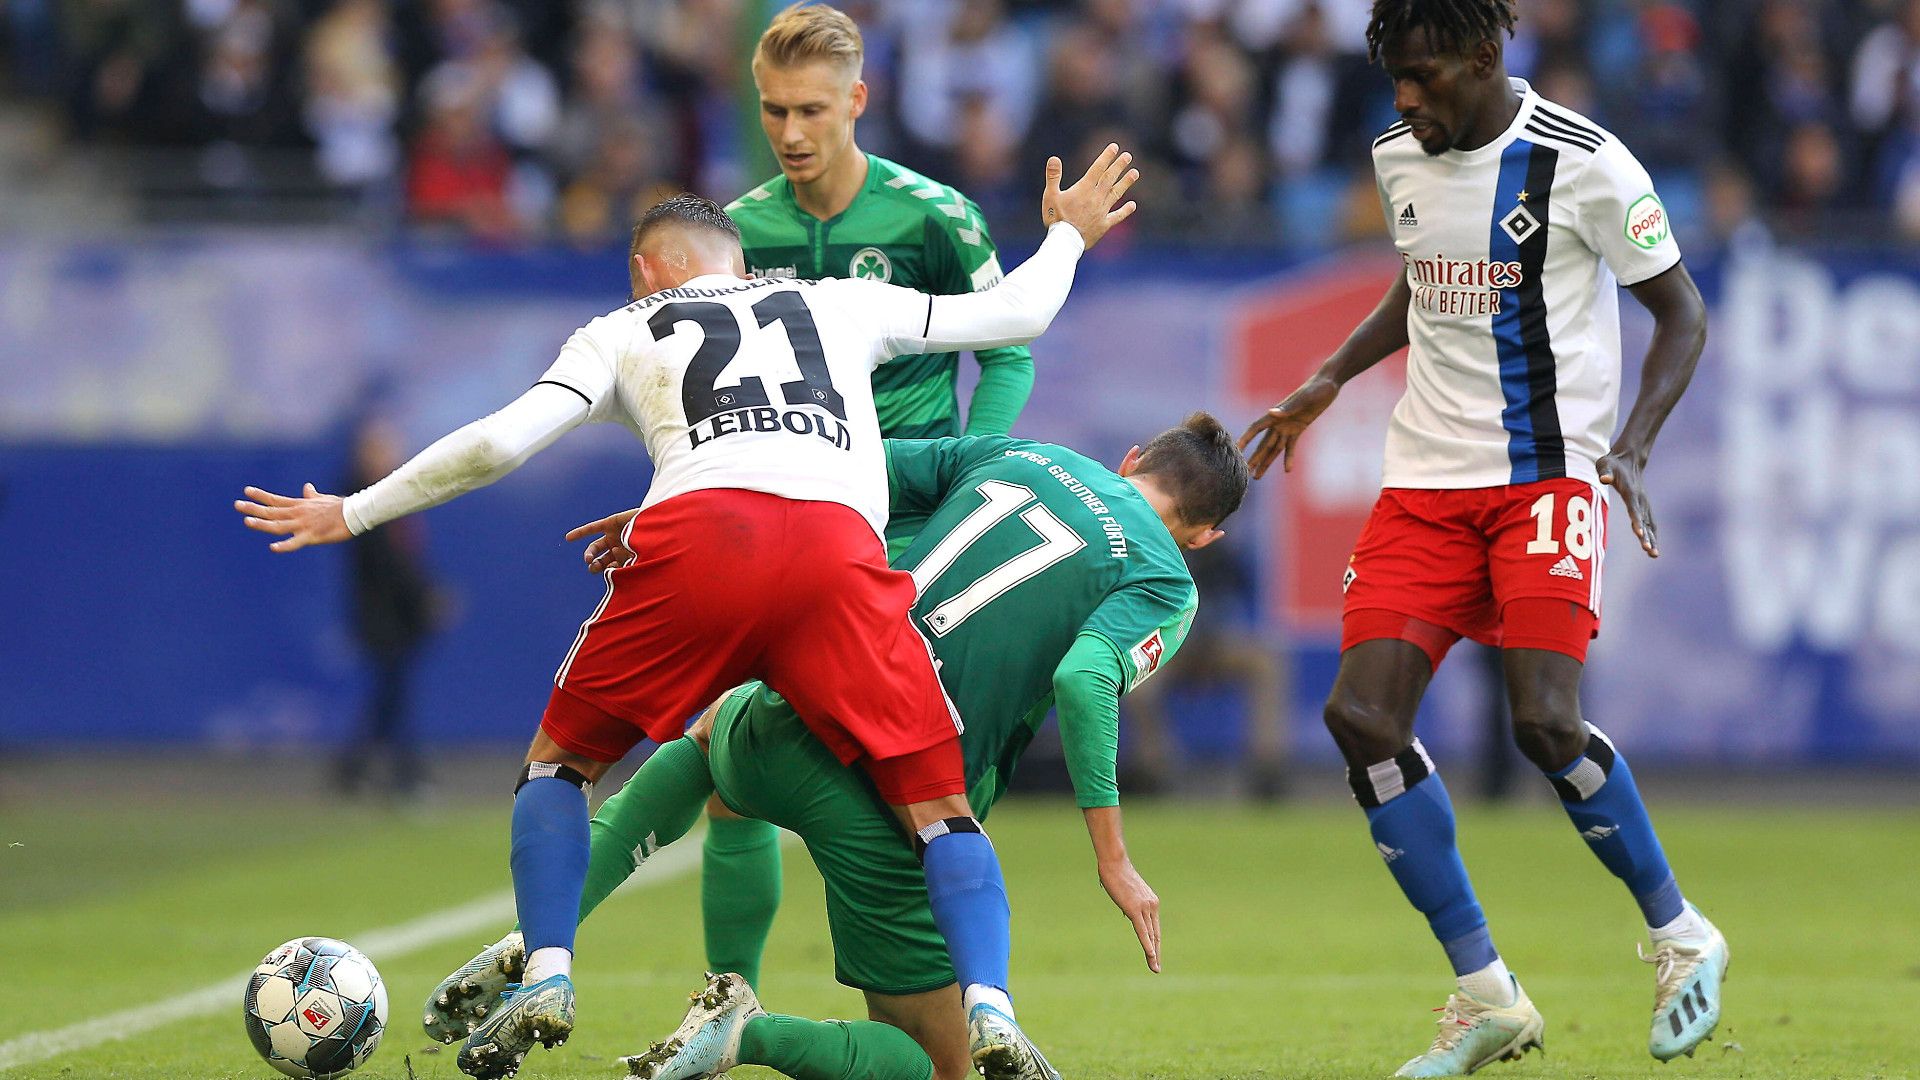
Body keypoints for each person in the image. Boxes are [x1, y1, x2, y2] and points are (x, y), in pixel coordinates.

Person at [234, 144, 1140, 1080]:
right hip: (839, 556)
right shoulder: (837, 301)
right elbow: (1019, 313)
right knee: (943, 815)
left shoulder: (624, 326)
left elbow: (500, 442)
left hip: (702, 543)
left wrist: (354, 509)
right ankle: (990, 1006)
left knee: (562, 764)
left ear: (644, 269)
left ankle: (547, 967)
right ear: (742, 263)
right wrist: (1068, 234)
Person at [422, 416, 1250, 1080]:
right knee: (936, 1063)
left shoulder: (1021, 452)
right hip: (908, 802)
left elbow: (830, 476)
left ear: (1133, 457)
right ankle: (749, 1035)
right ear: (1203, 535)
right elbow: (1083, 681)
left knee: (709, 744)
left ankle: (546, 940)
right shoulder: (1167, 582)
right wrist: (1112, 854)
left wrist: (672, 517)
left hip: (791, 713)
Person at [1237, 1, 1722, 1075]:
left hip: (1544, 478)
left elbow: (1682, 312)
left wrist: (1632, 448)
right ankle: (1485, 992)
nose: (1407, 100)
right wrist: (1328, 377)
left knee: (1544, 726)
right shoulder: (1399, 155)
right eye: (1395, 81)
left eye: (1425, 77)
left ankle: (1681, 935)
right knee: (1360, 717)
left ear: (1485, 57)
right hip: (1422, 484)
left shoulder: (1585, 164)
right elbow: (1422, 279)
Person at [699, 2, 1046, 1003]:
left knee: (914, 787)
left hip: (903, 527)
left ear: (859, 99)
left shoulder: (932, 216)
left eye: (812, 110)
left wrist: (975, 475)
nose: (793, 134)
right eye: (773, 112)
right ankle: (729, 999)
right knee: (733, 767)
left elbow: (1005, 349)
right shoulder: (742, 233)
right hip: (782, 522)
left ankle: (968, 1005)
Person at [335, 418, 445, 800]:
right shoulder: (362, 501)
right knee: (393, 698)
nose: (390, 456)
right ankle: (403, 777)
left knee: (389, 699)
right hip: (383, 618)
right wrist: (423, 596)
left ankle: (355, 772)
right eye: (381, 449)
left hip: (397, 617)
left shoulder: (389, 496)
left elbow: (405, 559)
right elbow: (387, 563)